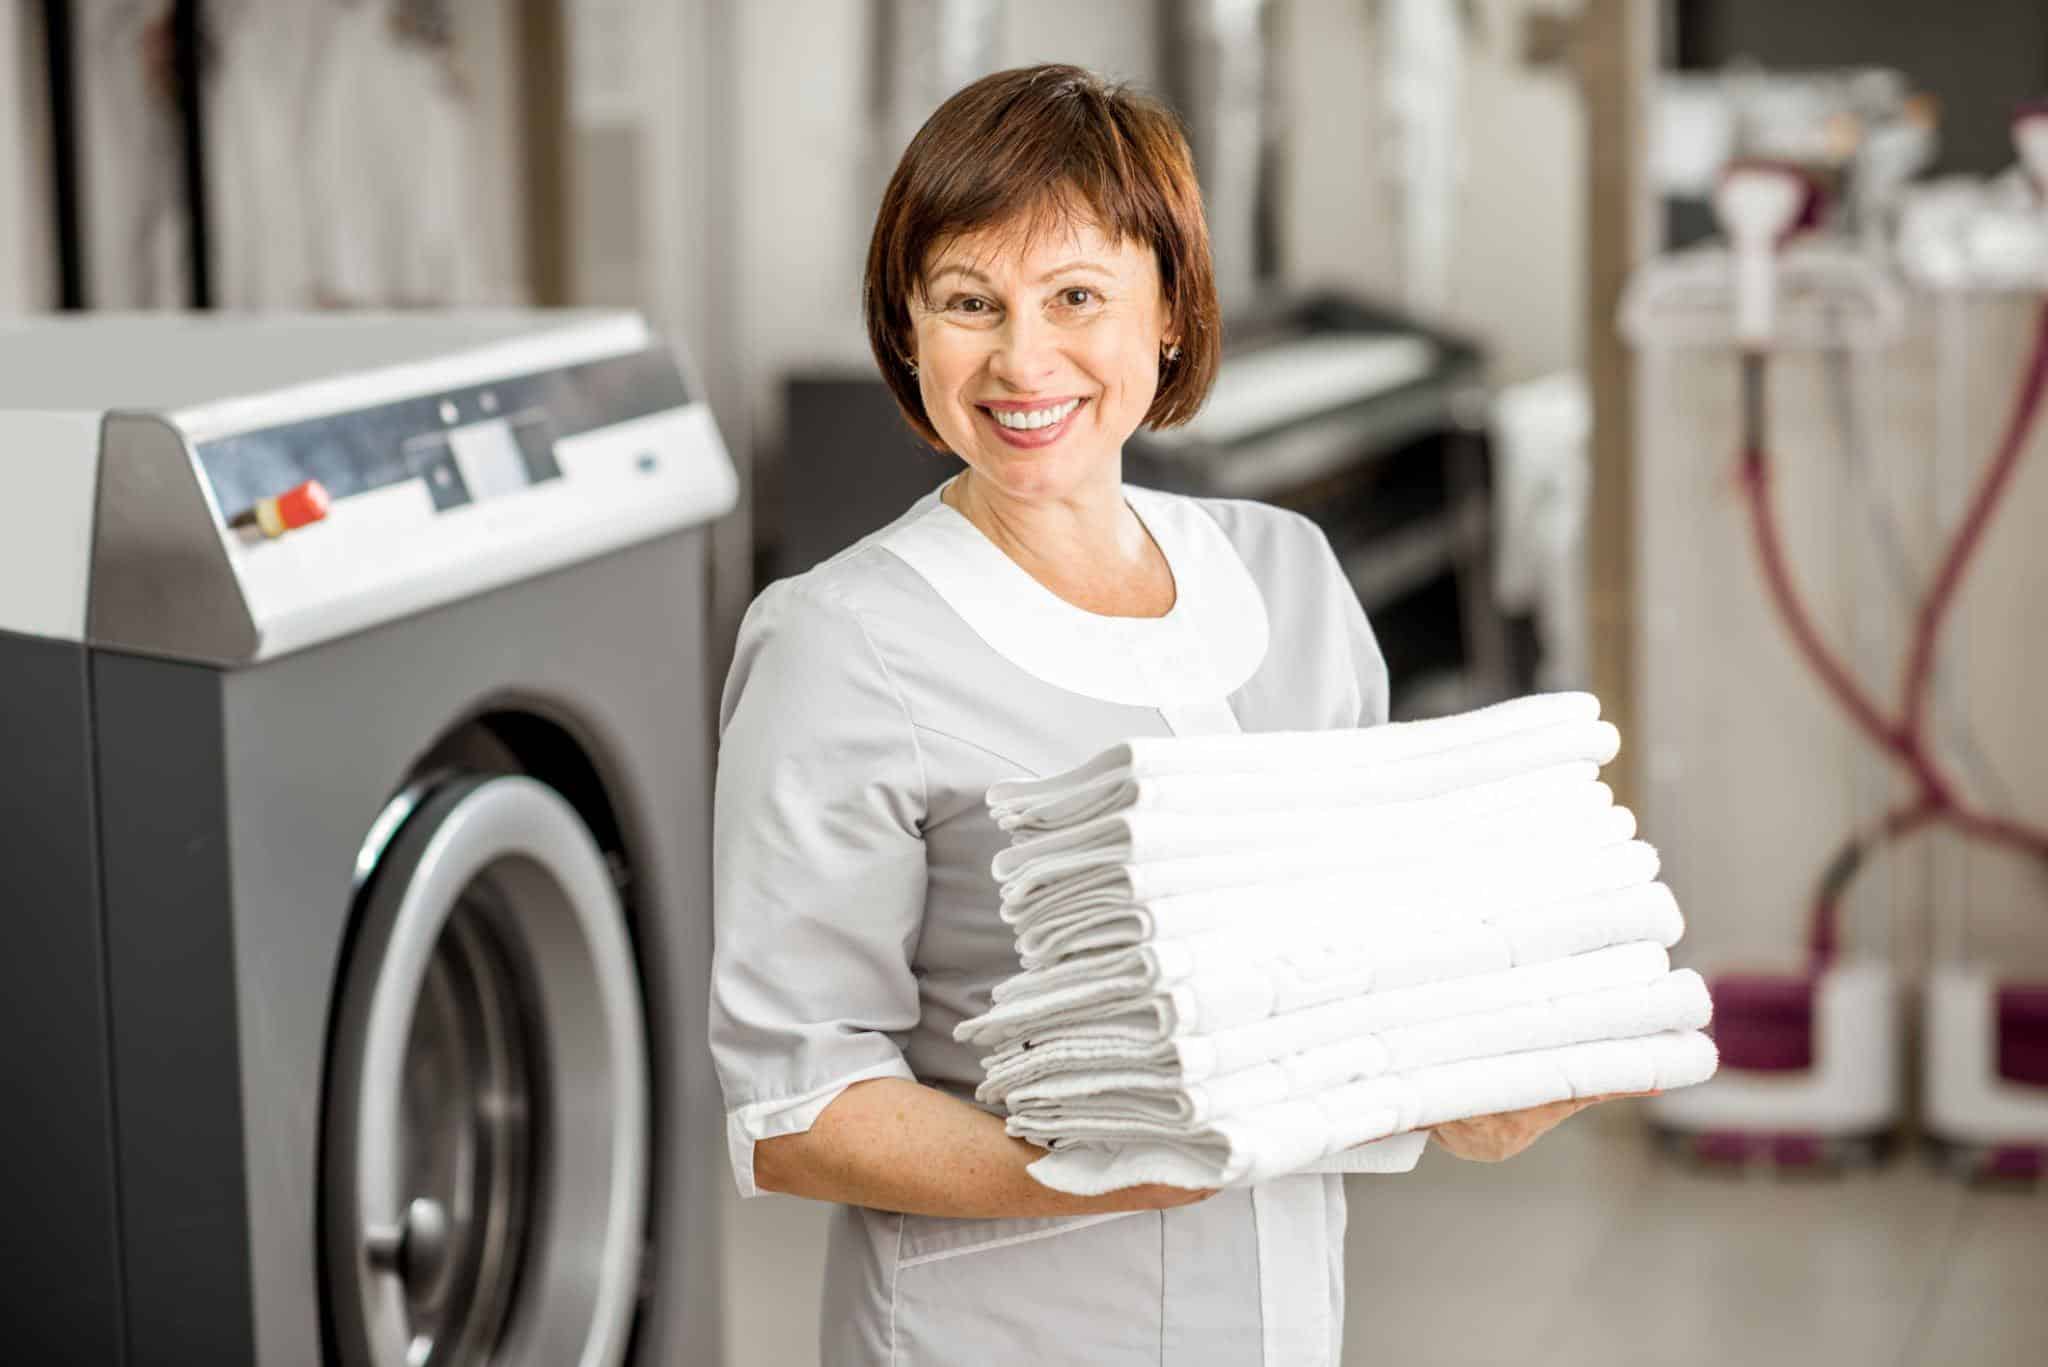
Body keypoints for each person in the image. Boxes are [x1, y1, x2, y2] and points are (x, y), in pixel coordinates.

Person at [709, 63, 1640, 1367]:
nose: (1021, 359)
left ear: (1169, 314)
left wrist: (1464, 1085)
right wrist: (1107, 1167)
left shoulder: (1287, 578)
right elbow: (798, 1110)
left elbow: (1358, 963)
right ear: (910, 331)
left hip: (1278, 1324)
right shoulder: (841, 643)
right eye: (968, 303)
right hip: (999, 1335)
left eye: (1075, 296)